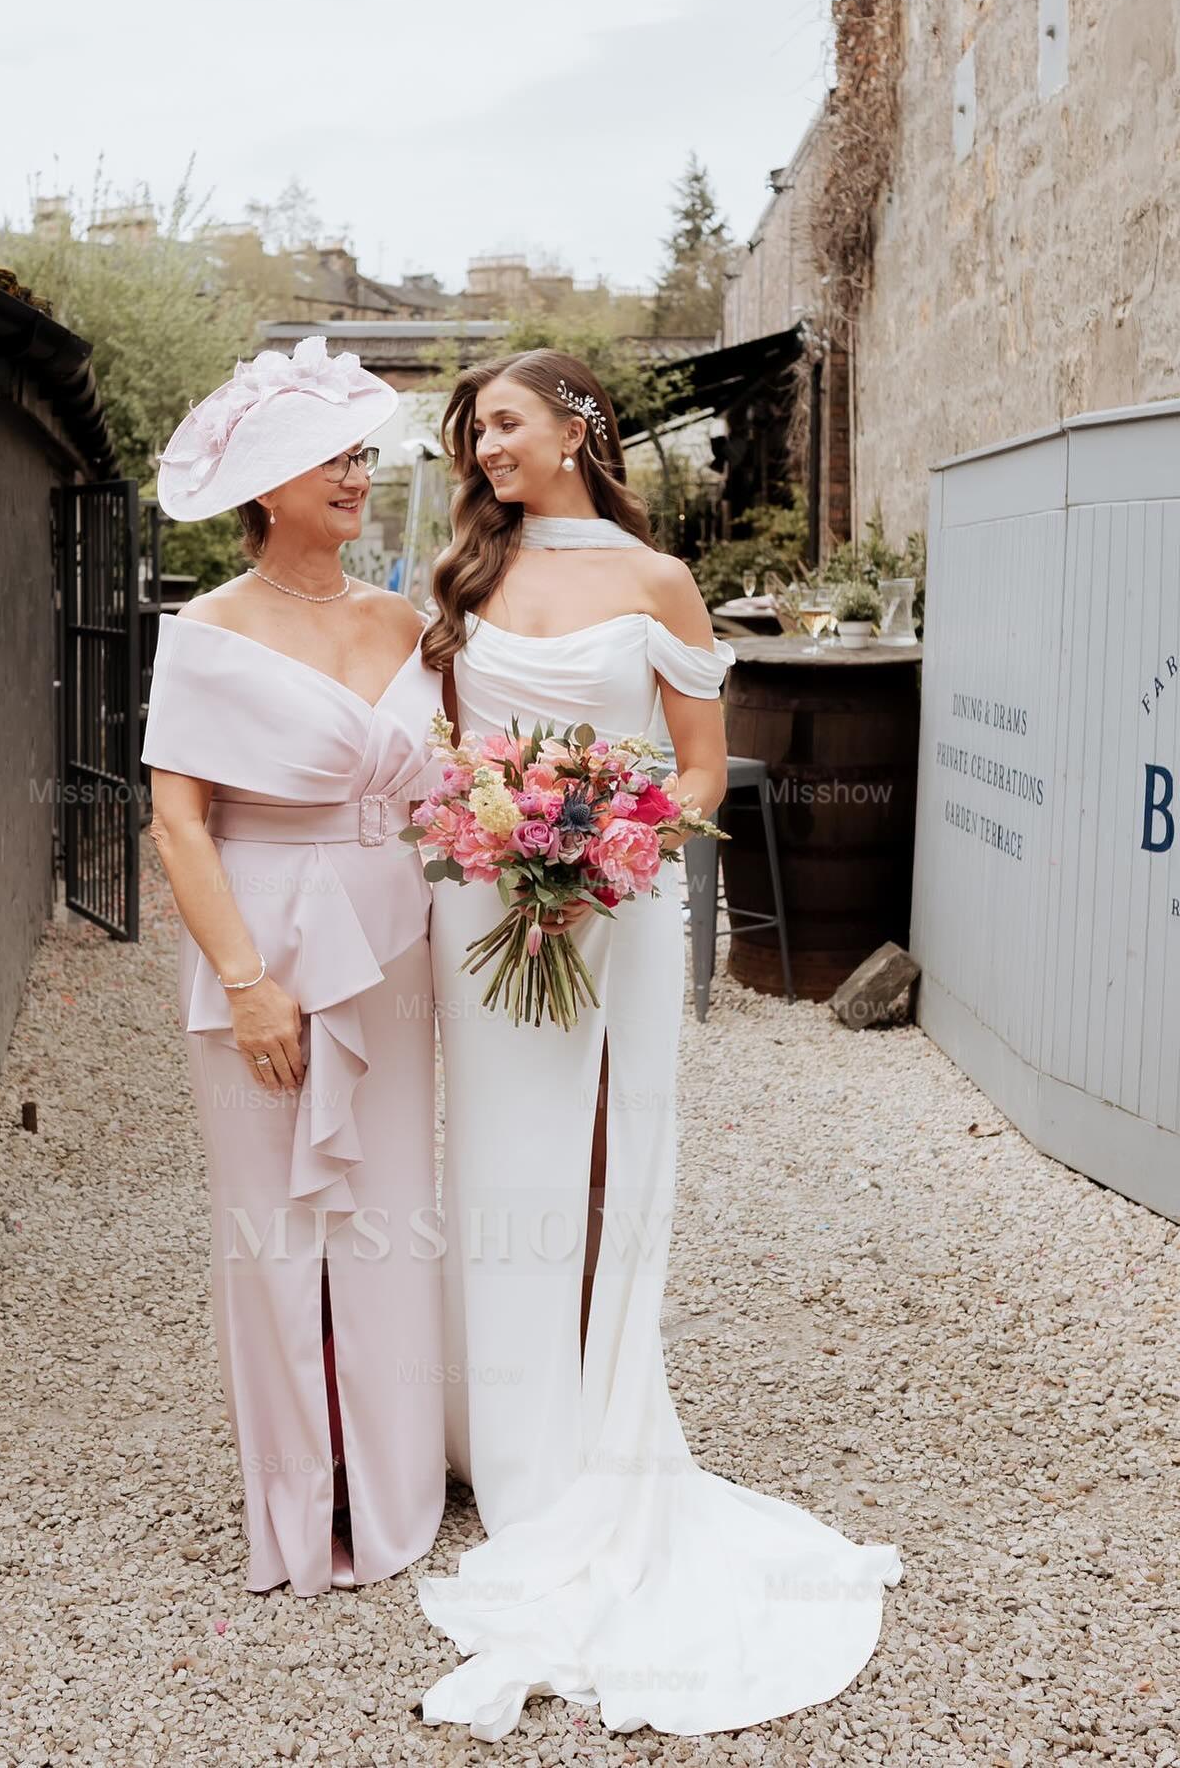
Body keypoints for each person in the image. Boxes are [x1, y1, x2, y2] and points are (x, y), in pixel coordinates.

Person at [415, 349, 903, 1739]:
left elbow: (694, 765)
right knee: (502, 1160)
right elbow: (450, 757)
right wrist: (504, 850)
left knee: (606, 1162)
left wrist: (602, 865)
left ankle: (603, 1426)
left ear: (575, 426)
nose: (482, 447)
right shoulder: (460, 578)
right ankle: (513, 1454)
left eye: (501, 422)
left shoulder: (657, 582)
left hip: (612, 907)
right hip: (486, 903)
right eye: (471, 431)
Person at [141, 335, 446, 1596]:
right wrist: (247, 977)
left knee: (384, 1220)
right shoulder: (206, 633)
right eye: (331, 455)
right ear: (265, 484)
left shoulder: (407, 619)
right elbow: (177, 821)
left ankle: (393, 1487)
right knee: (274, 1228)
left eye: (361, 453)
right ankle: (296, 1500)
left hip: (393, 948)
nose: (355, 474)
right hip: (260, 941)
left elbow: (452, 790)